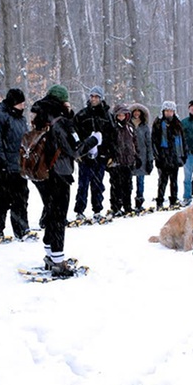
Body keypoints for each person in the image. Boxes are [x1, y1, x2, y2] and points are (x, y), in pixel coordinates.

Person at [30, 85, 98, 277]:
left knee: (51, 212)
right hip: (59, 172)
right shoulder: (61, 120)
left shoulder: (39, 116)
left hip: (41, 172)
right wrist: (94, 140)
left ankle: (50, 255)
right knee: (58, 216)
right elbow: (75, 149)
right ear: (62, 101)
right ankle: (59, 262)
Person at [0, 88, 30, 241]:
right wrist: (2, 161)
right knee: (2, 199)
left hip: (19, 166)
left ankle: (22, 229)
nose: (23, 106)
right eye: (20, 103)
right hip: (2, 166)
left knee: (21, 198)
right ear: (13, 103)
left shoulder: (20, 119)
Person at [72, 86, 114, 221]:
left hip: (101, 156)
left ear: (101, 99)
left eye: (96, 96)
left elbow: (112, 136)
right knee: (82, 185)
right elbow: (74, 133)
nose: (94, 99)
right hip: (84, 155)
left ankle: (97, 210)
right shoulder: (82, 114)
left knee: (98, 185)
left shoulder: (107, 115)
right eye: (92, 96)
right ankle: (79, 211)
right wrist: (77, 151)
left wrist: (110, 154)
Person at [151, 101, 185, 209]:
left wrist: (183, 155)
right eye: (167, 111)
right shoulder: (158, 123)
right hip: (163, 155)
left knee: (174, 180)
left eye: (171, 111)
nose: (169, 113)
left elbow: (183, 140)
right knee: (162, 180)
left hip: (175, 155)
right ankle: (159, 201)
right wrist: (157, 156)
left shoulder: (178, 123)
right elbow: (154, 140)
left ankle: (173, 200)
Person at [107, 103, 138, 216]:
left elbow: (134, 142)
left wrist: (136, 156)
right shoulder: (113, 128)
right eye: (119, 115)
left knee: (128, 186)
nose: (121, 117)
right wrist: (110, 157)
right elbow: (109, 144)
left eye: (123, 115)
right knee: (116, 186)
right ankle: (116, 207)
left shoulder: (129, 127)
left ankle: (127, 206)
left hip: (128, 161)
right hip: (116, 162)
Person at [129, 103, 153, 213]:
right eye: (135, 111)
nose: (137, 113)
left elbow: (149, 143)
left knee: (140, 181)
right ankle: (127, 203)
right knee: (128, 181)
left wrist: (150, 159)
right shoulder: (128, 125)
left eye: (139, 111)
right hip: (130, 156)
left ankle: (139, 201)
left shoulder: (144, 126)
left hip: (142, 156)